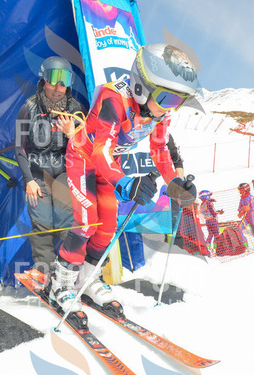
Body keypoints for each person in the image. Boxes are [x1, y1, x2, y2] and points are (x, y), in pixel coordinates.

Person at [49, 44, 198, 313]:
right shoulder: (114, 98)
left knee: (107, 226)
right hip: (83, 157)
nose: (169, 108)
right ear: (142, 87)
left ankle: (87, 278)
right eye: (167, 99)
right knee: (87, 221)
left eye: (178, 102)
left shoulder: (159, 113)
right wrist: (125, 182)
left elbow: (159, 149)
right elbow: (100, 150)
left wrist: (173, 183)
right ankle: (61, 282)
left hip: (109, 164)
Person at [14, 56, 86, 275]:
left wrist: (72, 134)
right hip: (37, 173)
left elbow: (87, 146)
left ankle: (71, 272)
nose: (58, 87)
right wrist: (29, 180)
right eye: (53, 79)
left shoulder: (75, 109)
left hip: (65, 171)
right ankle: (44, 273)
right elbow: (19, 147)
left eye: (64, 81)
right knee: (42, 223)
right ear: (43, 80)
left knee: (68, 221)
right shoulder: (29, 108)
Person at [237, 182, 254, 248]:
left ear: (247, 189)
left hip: (251, 216)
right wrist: (240, 212)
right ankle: (245, 243)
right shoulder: (242, 199)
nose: (241, 192)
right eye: (239, 190)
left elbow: (251, 207)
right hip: (245, 217)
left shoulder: (250, 197)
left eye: (242, 190)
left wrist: (244, 208)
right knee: (239, 229)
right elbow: (240, 207)